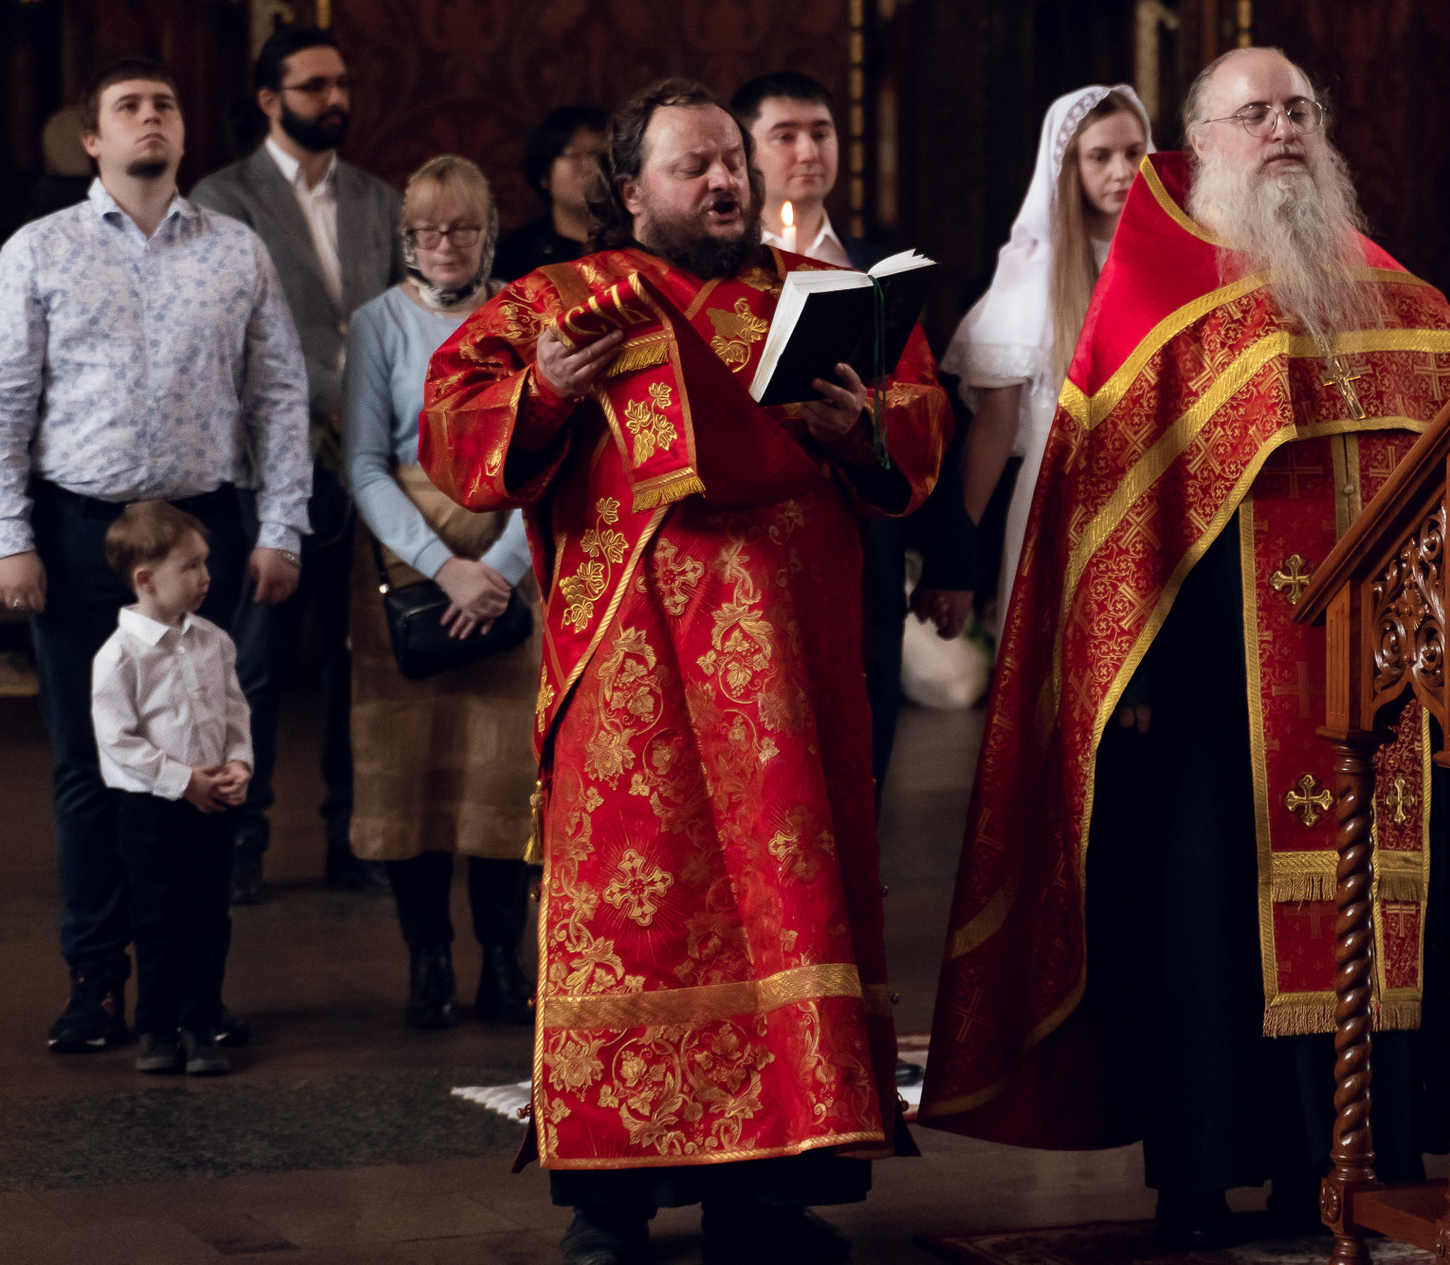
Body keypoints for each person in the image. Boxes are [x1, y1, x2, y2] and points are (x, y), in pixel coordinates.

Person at [919, 48, 1450, 1249]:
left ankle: (1349, 1167)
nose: (1280, 127)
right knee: (1204, 937)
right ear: (1202, 140)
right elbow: (1103, 518)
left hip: (1384, 692)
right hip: (1204, 693)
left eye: (1298, 109)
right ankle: (1200, 1172)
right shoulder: (1158, 305)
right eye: (1254, 112)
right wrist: (1125, 676)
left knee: (1372, 910)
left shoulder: (1403, 300)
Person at [419, 77, 951, 1265]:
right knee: (640, 924)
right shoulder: (564, 301)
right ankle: (609, 1203)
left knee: (786, 922)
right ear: (628, 191)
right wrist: (550, 388)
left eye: (731, 163)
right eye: (691, 167)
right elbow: (456, 433)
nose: (722, 183)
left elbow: (918, 420)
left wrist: (859, 425)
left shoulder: (814, 298)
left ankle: (763, 1196)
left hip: (793, 683)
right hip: (636, 680)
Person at [0, 57, 310, 1056]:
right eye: (129, 107)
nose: (150, 117)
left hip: (203, 524)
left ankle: (187, 988)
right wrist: (11, 537)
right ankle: (96, 981)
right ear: (94, 140)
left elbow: (280, 394)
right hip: (78, 533)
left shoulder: (235, 252)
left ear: (181, 132)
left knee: (205, 756)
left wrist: (283, 525)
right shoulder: (39, 250)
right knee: (90, 763)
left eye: (164, 102)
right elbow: (0, 398)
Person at [192, 25, 404, 900]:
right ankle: (243, 836)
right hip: (265, 459)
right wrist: (336, 390)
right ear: (271, 99)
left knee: (359, 652)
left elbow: (396, 311)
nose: (337, 100)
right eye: (316, 86)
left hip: (370, 457)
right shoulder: (222, 195)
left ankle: (353, 836)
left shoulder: (376, 197)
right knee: (259, 657)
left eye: (343, 83)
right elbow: (238, 330)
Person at [737, 70, 980, 784]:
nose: (808, 149)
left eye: (821, 131)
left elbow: (928, 413)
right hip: (756, 562)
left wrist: (950, 563)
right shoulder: (721, 276)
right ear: (745, 152)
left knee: (860, 773)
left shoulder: (878, 269)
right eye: (784, 135)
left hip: (867, 554)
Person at [344, 154, 540, 1030]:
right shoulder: (378, 322)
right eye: (426, 229)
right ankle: (428, 959)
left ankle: (504, 957)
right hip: (405, 567)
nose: (444, 243)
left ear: (488, 229)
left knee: (506, 775)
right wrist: (442, 565)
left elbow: (549, 451)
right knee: (408, 774)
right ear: (405, 238)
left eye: (461, 226)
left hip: (510, 550)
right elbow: (360, 462)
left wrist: (499, 566)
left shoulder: (526, 313)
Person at [943, 84, 1150, 623]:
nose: (1123, 171)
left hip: (1159, 495)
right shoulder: (1030, 281)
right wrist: (955, 563)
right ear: (1067, 167)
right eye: (1100, 156)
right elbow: (992, 430)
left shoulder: (1167, 267)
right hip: (1061, 502)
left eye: (1135, 153)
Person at [91, 501, 254, 1077]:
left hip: (214, 805)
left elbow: (235, 711)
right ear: (145, 579)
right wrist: (182, 782)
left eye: (206, 563)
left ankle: (199, 1023)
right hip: (152, 810)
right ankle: (156, 1029)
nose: (205, 576)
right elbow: (117, 740)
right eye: (189, 566)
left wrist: (238, 764)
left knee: (210, 916)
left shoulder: (213, 641)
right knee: (158, 918)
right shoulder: (119, 656)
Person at [494, 104, 609, 284]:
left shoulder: (636, 242)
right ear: (544, 175)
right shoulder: (513, 256)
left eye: (597, 154)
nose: (590, 165)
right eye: (573, 155)